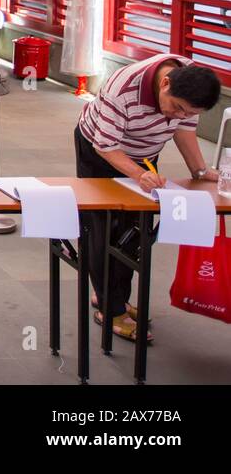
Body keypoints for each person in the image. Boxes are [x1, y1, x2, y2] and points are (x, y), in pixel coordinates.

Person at [76, 54, 221, 342]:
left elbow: (184, 129)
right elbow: (105, 146)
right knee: (102, 226)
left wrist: (200, 170)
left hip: (143, 153)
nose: (178, 116)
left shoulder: (191, 81)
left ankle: (114, 297)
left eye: (187, 112)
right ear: (164, 83)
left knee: (133, 230)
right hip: (100, 151)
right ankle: (110, 308)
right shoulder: (123, 90)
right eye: (177, 108)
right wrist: (138, 174)